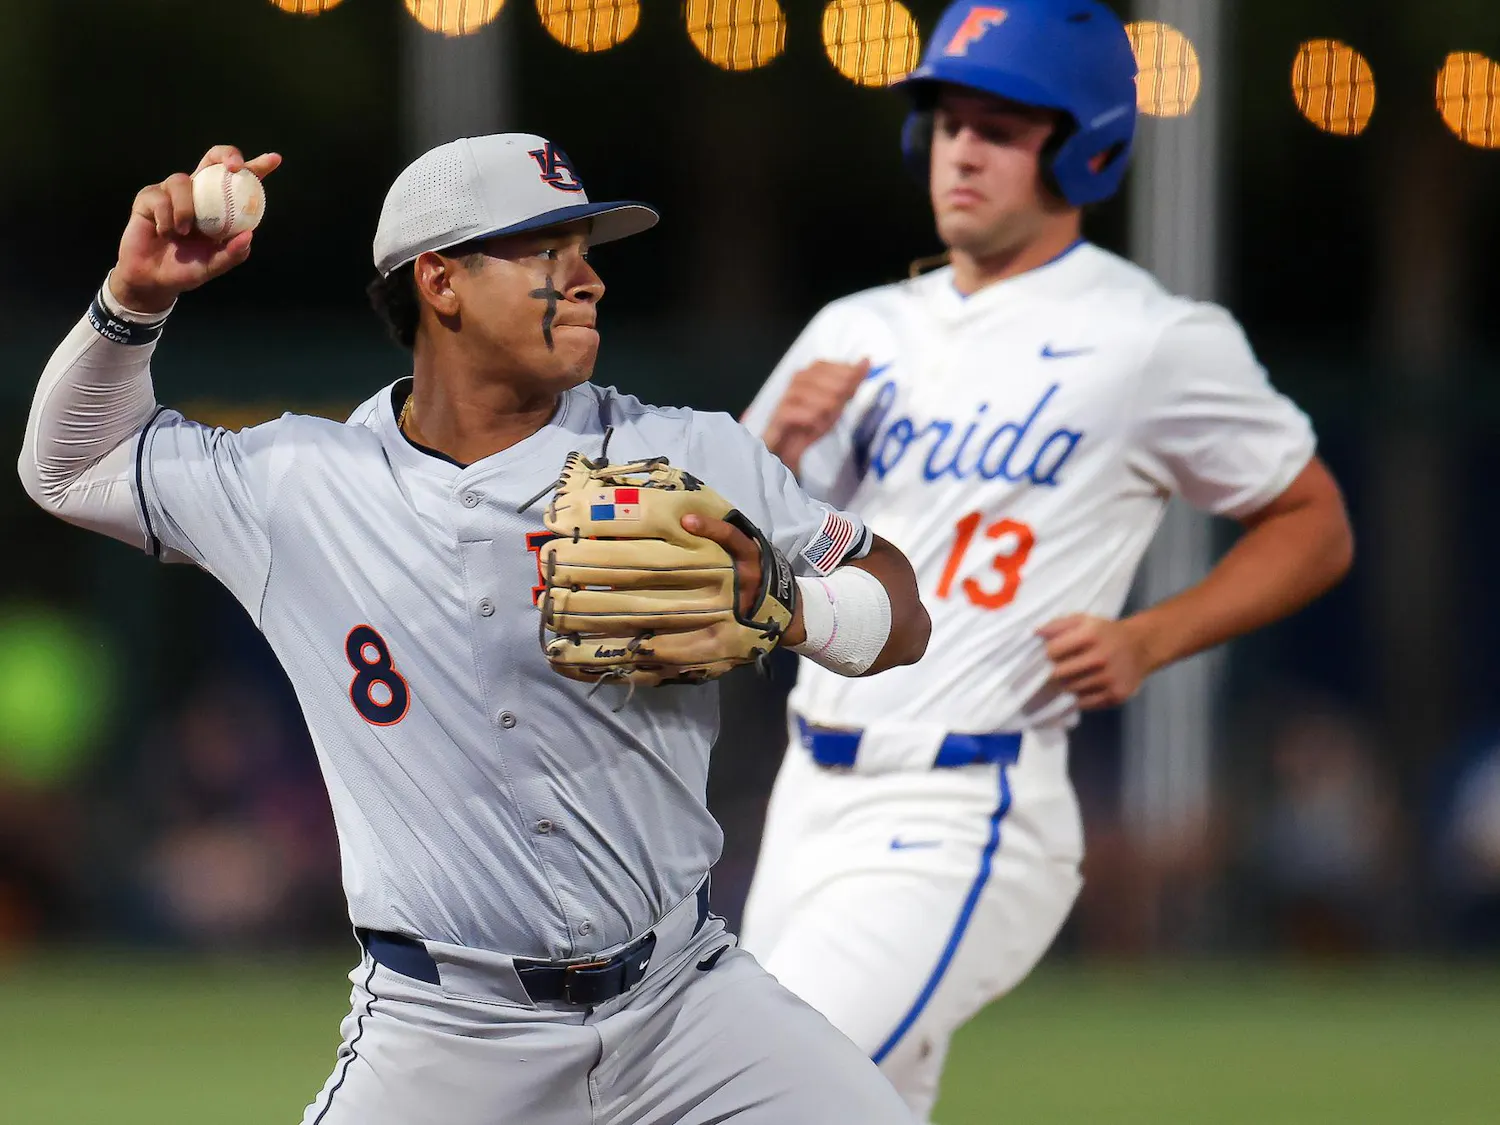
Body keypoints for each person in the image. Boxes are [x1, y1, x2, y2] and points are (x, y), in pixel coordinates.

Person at [18, 133, 931, 1125]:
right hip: (443, 1037)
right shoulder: (302, 484)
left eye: (587, 251)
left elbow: (901, 607)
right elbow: (70, 466)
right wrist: (135, 299)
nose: (587, 282)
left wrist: (796, 610)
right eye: (547, 254)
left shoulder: (682, 451)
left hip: (689, 1011)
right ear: (441, 282)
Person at [736, 2, 1355, 1119]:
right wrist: (774, 453)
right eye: (947, 118)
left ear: (1086, 145)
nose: (962, 148)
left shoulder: (1151, 338)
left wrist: (1151, 638)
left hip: (966, 802)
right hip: (806, 791)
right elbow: (737, 557)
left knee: (747, 1091)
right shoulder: (854, 327)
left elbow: (1314, 521)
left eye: (1003, 125)